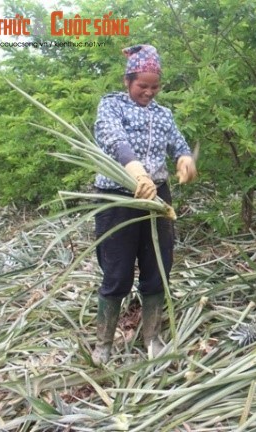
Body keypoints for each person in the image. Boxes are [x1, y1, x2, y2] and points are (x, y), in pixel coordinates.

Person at [90, 44, 197, 365]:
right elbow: (113, 139)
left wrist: (185, 159)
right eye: (142, 86)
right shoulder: (112, 106)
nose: (149, 92)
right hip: (118, 199)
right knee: (117, 270)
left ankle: (152, 337)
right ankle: (104, 343)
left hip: (158, 198)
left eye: (154, 86)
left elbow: (177, 142)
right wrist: (135, 170)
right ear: (127, 81)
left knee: (158, 268)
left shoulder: (163, 114)